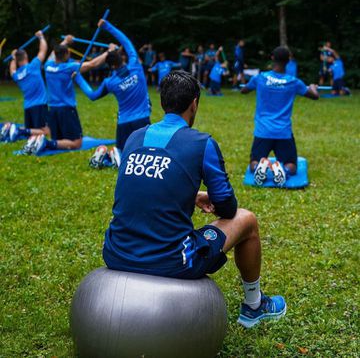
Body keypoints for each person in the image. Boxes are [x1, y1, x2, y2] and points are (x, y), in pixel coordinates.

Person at [103, 70, 286, 328]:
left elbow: (143, 190)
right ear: (194, 104)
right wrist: (208, 197)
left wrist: (190, 196)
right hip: (172, 261)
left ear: (163, 102)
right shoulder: (203, 143)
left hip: (116, 253)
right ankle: (254, 305)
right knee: (247, 220)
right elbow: (227, 207)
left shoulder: (134, 137)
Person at [77, 20, 152, 168]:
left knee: (125, 151)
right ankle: (117, 156)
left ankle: (113, 156)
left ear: (110, 66)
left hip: (124, 123)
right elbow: (126, 41)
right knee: (144, 154)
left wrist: (78, 78)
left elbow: (92, 96)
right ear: (121, 57)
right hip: (142, 120)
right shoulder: (135, 65)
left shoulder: (110, 82)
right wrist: (107, 26)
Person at [241, 46, 319, 187]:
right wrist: (313, 86)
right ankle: (284, 170)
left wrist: (249, 85)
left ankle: (261, 166)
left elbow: (244, 90)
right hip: (283, 132)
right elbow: (314, 96)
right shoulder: (293, 82)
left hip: (263, 131)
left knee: (253, 163)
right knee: (292, 166)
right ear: (288, 60)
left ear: (272, 58)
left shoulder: (260, 78)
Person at [21, 35, 111, 155]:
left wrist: (66, 41)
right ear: (66, 55)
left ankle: (42, 142)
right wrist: (109, 51)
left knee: (58, 140)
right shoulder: (69, 67)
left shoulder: (48, 66)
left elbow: (54, 53)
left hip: (52, 110)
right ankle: (46, 143)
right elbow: (93, 64)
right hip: (67, 110)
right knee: (77, 143)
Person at [3, 30, 50, 144]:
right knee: (46, 131)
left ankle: (11, 129)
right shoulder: (33, 66)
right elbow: (43, 50)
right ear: (26, 56)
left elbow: (12, 70)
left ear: (18, 61)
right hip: (39, 105)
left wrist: (13, 57)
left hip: (28, 107)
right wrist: (41, 37)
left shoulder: (17, 75)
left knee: (34, 132)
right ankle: (18, 130)